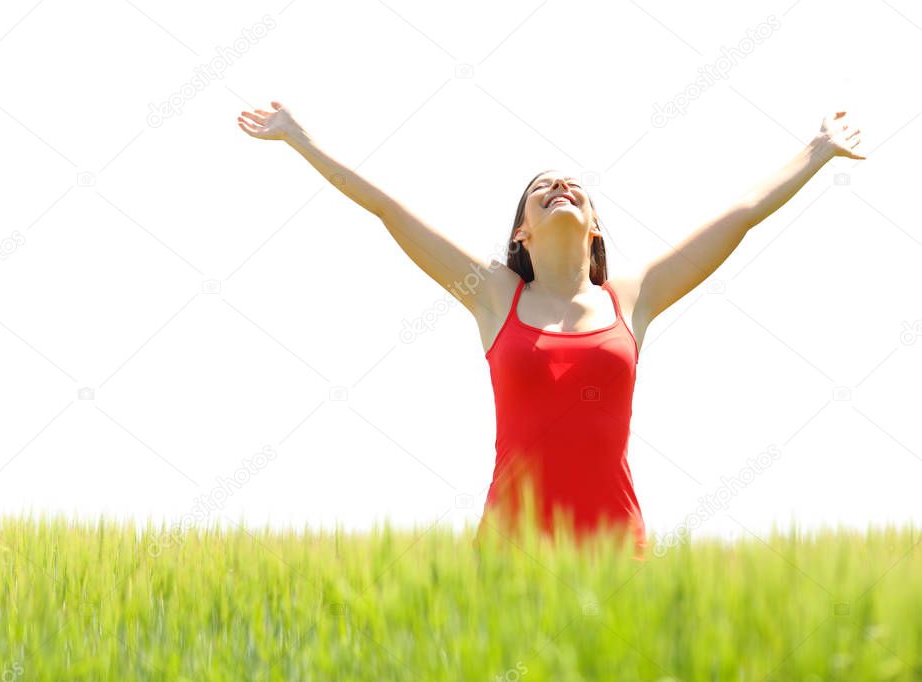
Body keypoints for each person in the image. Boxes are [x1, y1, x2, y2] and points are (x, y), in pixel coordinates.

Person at [237, 102, 865, 560]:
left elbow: (742, 214)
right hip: (508, 555)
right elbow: (390, 209)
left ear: (593, 229)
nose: (561, 188)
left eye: (574, 189)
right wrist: (303, 141)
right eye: (543, 188)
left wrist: (817, 149)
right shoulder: (492, 295)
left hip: (618, 554)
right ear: (522, 233)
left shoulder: (633, 298)